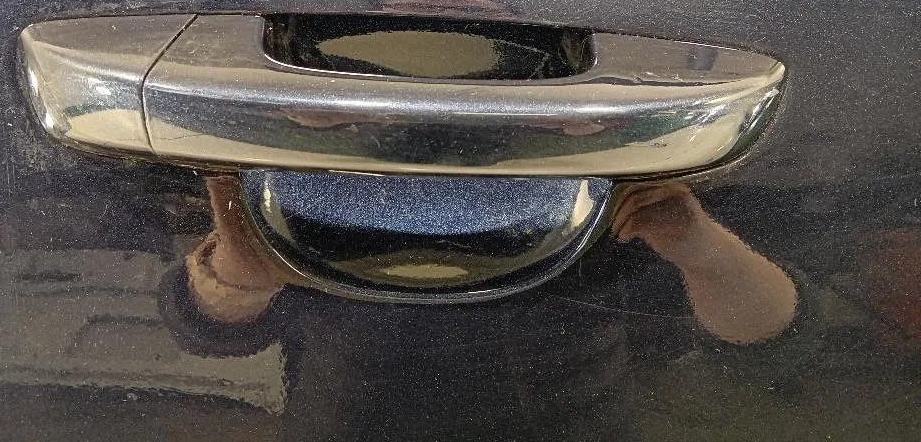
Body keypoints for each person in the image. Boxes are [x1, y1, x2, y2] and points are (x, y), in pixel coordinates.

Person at [160, 174, 803, 441]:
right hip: (346, 423)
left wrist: (702, 248)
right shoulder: (308, 181)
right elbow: (202, 328)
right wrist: (238, 273)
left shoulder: (616, 182)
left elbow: (767, 331)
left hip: (578, 423)